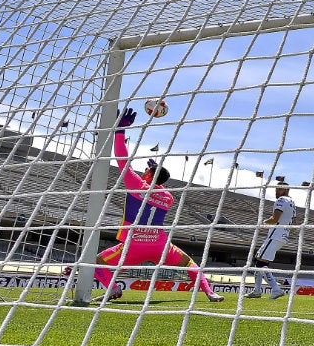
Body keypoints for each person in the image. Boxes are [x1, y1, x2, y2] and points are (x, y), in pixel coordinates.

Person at [91, 107, 224, 303]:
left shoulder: (136, 185)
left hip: (133, 244)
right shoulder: (168, 196)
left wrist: (120, 131)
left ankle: (113, 288)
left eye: (147, 170)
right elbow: (156, 186)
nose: (143, 171)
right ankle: (210, 293)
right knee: (189, 263)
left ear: (150, 175)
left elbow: (122, 159)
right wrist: (155, 172)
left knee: (96, 262)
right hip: (159, 244)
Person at [244, 181, 296, 300]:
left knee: (260, 263)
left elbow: (274, 218)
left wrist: (262, 223)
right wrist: (286, 233)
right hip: (282, 236)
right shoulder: (292, 203)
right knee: (259, 260)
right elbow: (294, 224)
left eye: (279, 189)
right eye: (276, 189)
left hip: (275, 235)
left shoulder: (281, 200)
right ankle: (257, 291)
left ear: (286, 190)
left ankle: (276, 289)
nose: (277, 191)